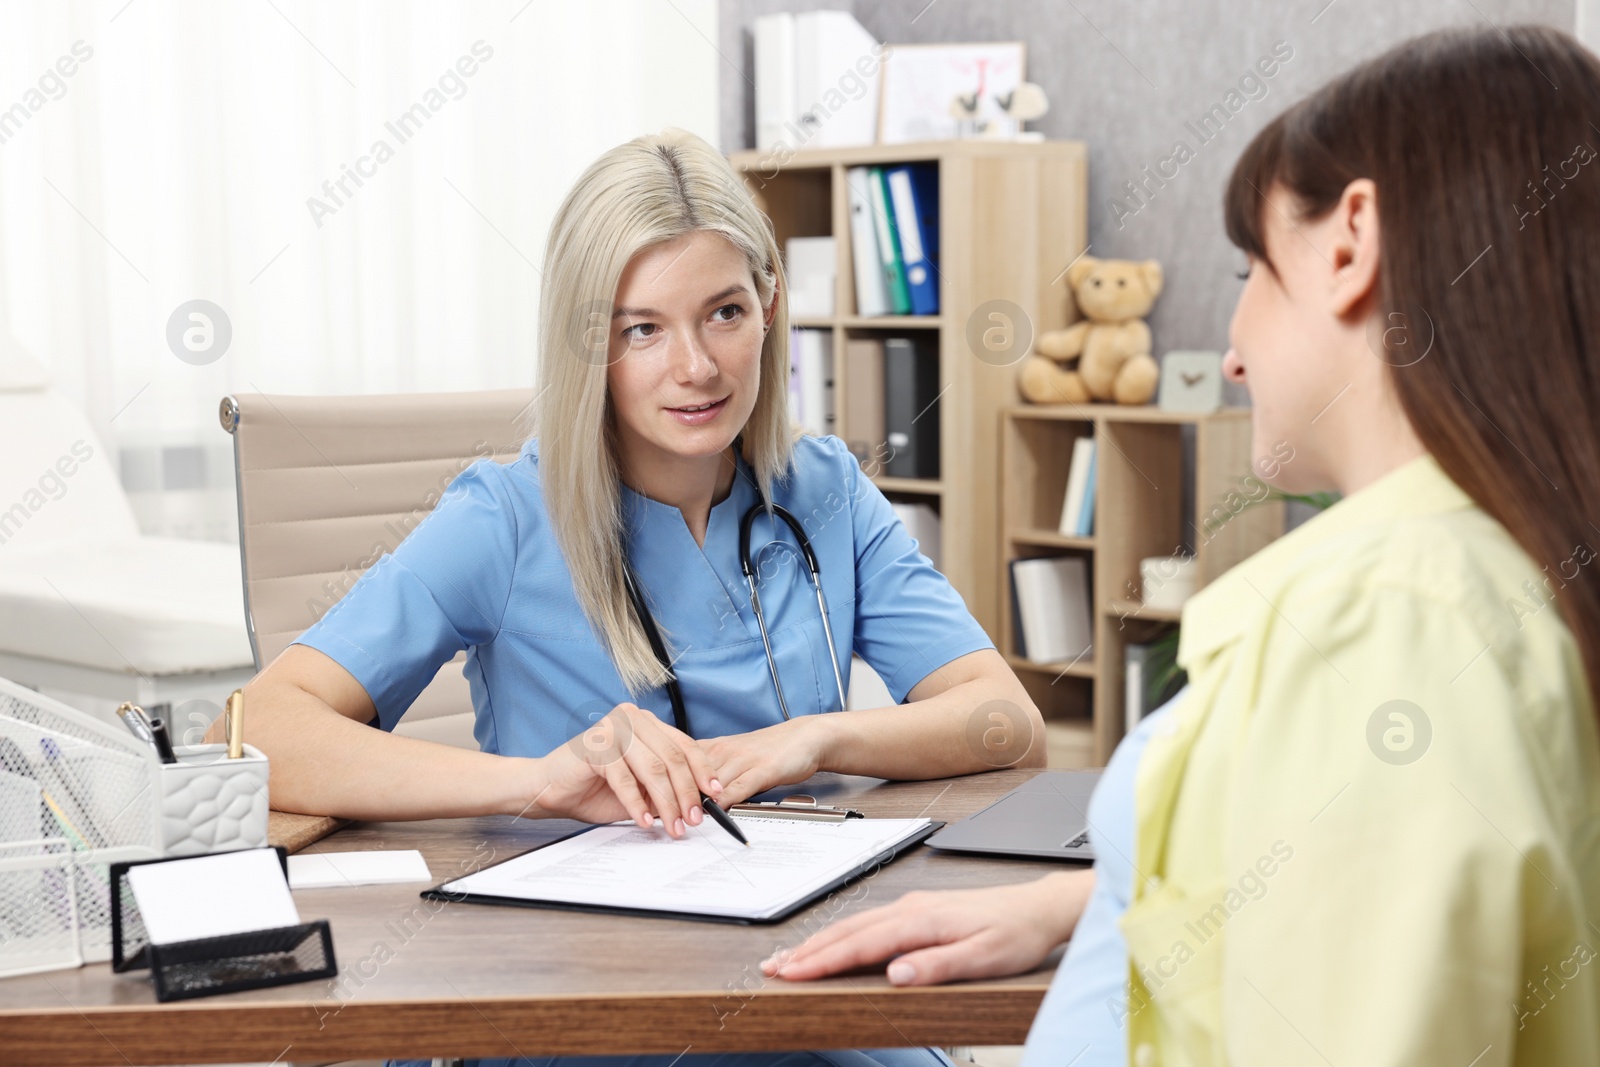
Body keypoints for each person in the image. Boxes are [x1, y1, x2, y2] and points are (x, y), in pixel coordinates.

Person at [764, 24, 1600, 1066]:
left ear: (1350, 245)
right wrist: (1096, 898)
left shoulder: (1383, 618)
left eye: (1252, 264)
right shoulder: (1494, 569)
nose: (1234, 348)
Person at [210, 127, 1044, 1067]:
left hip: (794, 955)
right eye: (641, 329)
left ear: (770, 306)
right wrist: (537, 785)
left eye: (724, 312)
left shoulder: (824, 490)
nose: (696, 367)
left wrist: (818, 735)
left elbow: (1004, 722)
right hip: (589, 989)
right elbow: (252, 732)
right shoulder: (506, 517)